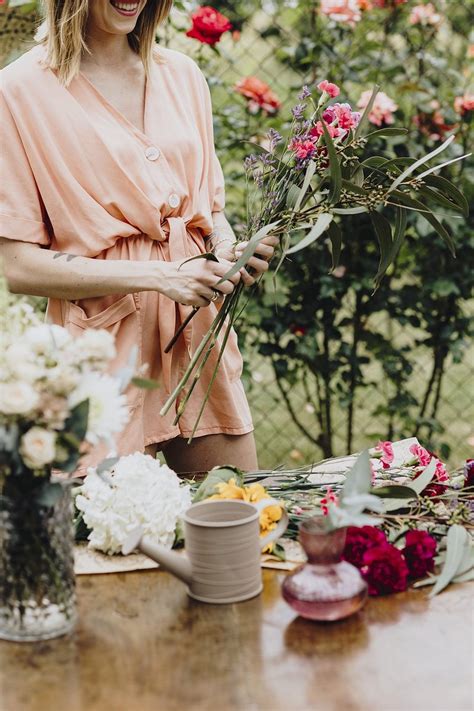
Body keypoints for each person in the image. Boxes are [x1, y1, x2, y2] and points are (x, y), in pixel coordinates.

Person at [0, 0, 277, 475]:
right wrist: (161, 276)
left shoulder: (183, 75)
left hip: (197, 336)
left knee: (236, 518)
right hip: (102, 352)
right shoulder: (17, 92)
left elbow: (210, 212)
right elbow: (19, 267)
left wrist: (231, 251)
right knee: (116, 536)